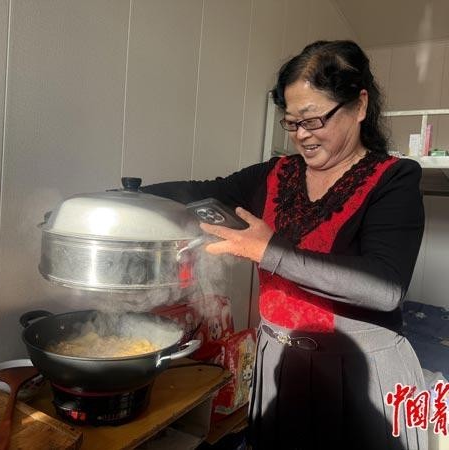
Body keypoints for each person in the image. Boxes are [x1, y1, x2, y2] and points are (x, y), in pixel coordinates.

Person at [143, 40, 427, 450]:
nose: (302, 136)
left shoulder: (394, 179)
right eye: (292, 123)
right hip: (278, 362)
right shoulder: (276, 174)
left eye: (313, 120)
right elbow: (201, 191)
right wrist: (125, 197)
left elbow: (385, 288)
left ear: (360, 105)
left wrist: (269, 251)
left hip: (360, 377)